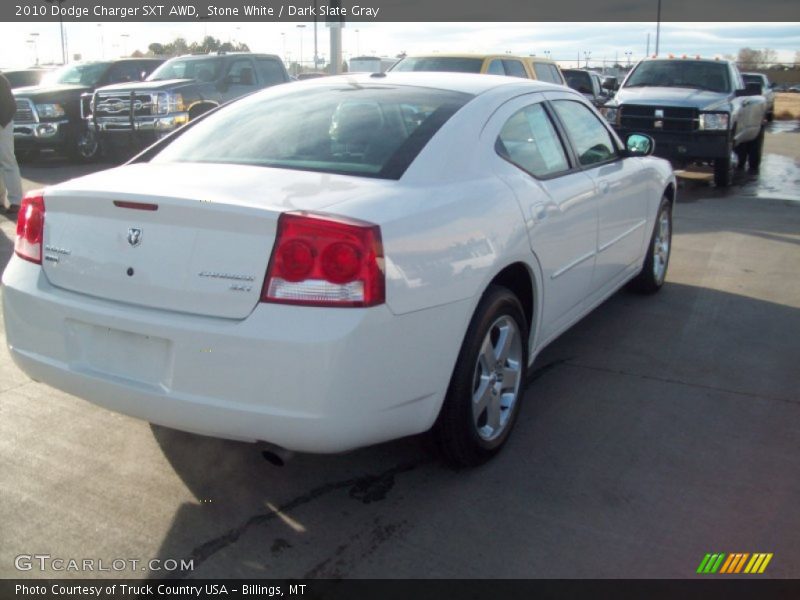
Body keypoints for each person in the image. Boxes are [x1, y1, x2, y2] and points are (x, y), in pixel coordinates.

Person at [0, 70, 23, 215]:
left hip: (3, 124)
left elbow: (10, 106)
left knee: (7, 161)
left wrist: (2, 124)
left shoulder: (1, 80)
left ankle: (16, 201)